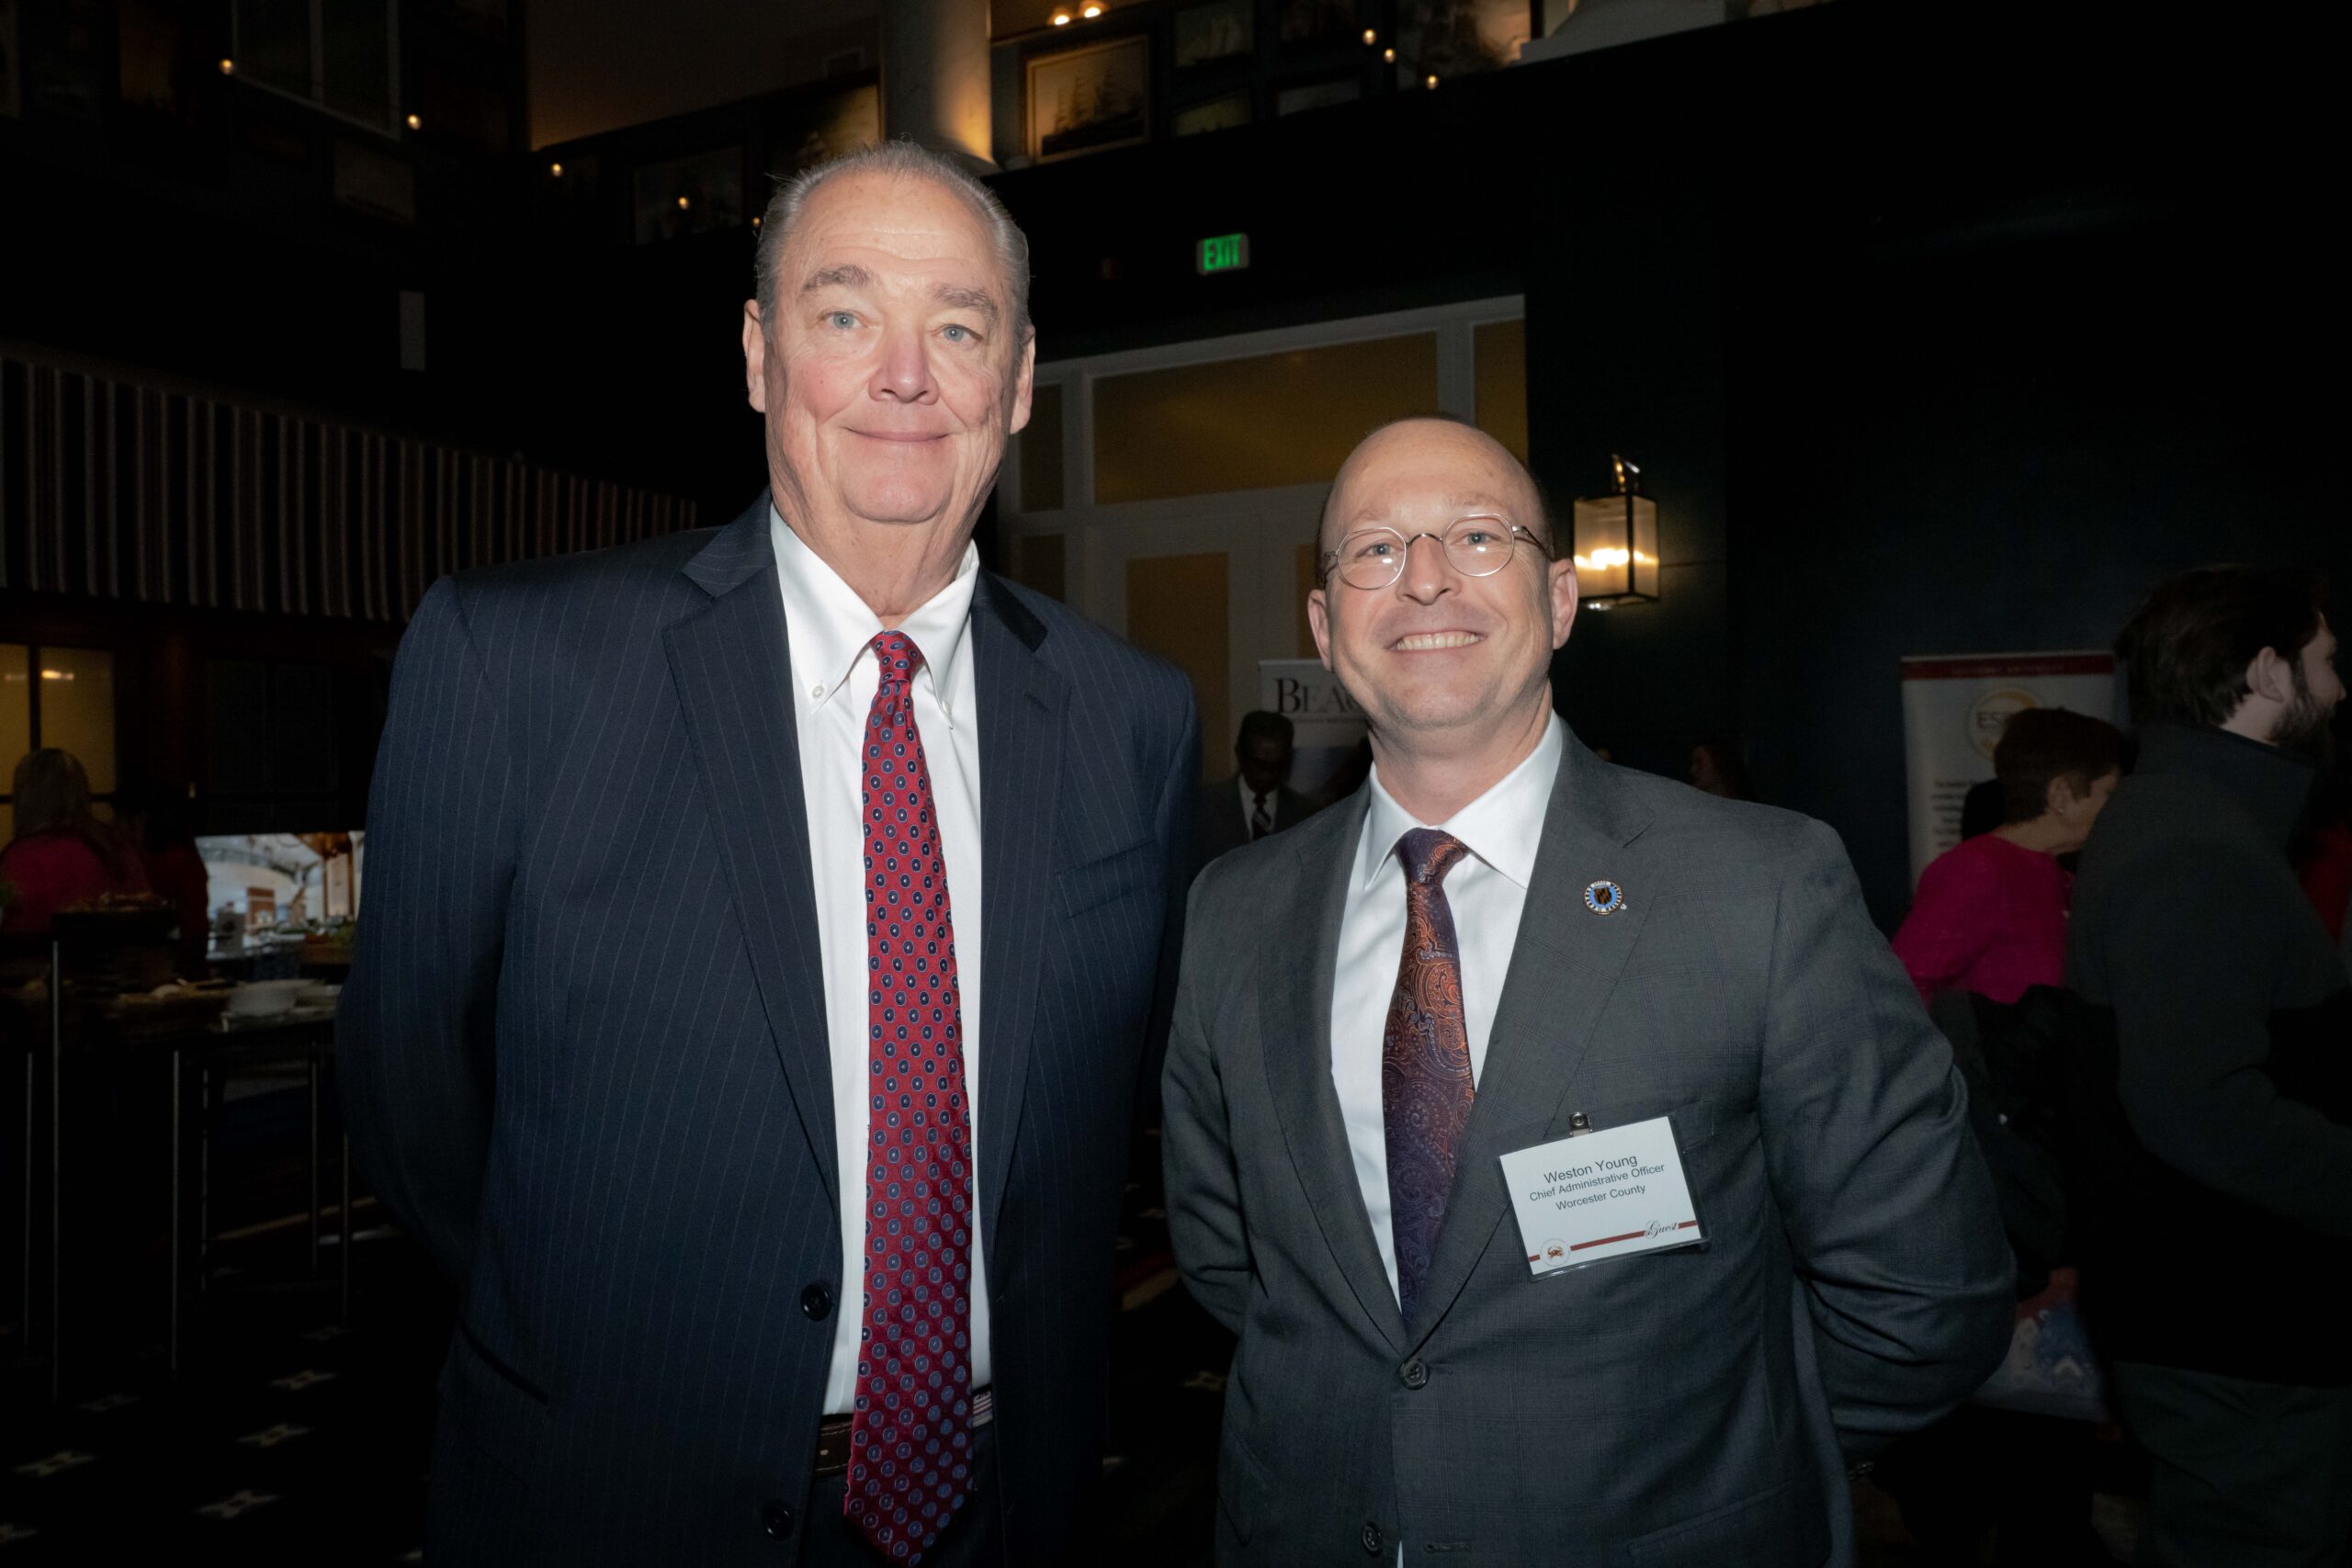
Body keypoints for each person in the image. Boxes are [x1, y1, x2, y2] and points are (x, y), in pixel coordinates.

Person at [342, 142, 1197, 1568]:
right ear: (757, 353)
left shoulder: (1133, 716)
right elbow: (414, 1093)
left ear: (1022, 379)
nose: (906, 374)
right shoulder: (516, 661)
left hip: (1010, 1501)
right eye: (845, 312)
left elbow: (1135, 1107)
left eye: (961, 326)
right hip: (616, 1492)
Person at [1160, 416, 2011, 1564]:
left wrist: (1719, 1455)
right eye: (1372, 549)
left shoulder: (1757, 887)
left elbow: (1922, 1296)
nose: (1421, 579)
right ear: (1323, 624)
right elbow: (1231, 1261)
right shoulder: (1233, 910)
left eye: (1474, 537)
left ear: (1560, 601)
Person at [2064, 565, 2352, 1568]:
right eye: (2326, 661)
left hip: (2227, 1319)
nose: (2343, 688)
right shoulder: (2193, 842)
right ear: (2268, 673)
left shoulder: (2188, 821)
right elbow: (2199, 1106)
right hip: (2237, 1331)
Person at [1892, 706, 2125, 1006]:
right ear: (2061, 793)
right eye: (2109, 793)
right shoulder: (1978, 869)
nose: (2117, 809)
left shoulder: (2057, 872)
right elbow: (1902, 988)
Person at [0, 749, 150, 935]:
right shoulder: (117, 849)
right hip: (126, 961)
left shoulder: (23, 858)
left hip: (47, 961)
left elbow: (18, 937)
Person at [1193, 710, 1313, 866]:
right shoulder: (1203, 808)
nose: (1266, 776)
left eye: (1276, 766)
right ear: (1240, 754)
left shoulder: (1307, 815)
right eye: (1259, 764)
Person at [1689, 734, 1753, 799]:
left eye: (1699, 762)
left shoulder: (1747, 806)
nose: (1693, 770)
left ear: (1719, 762)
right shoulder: (1690, 804)